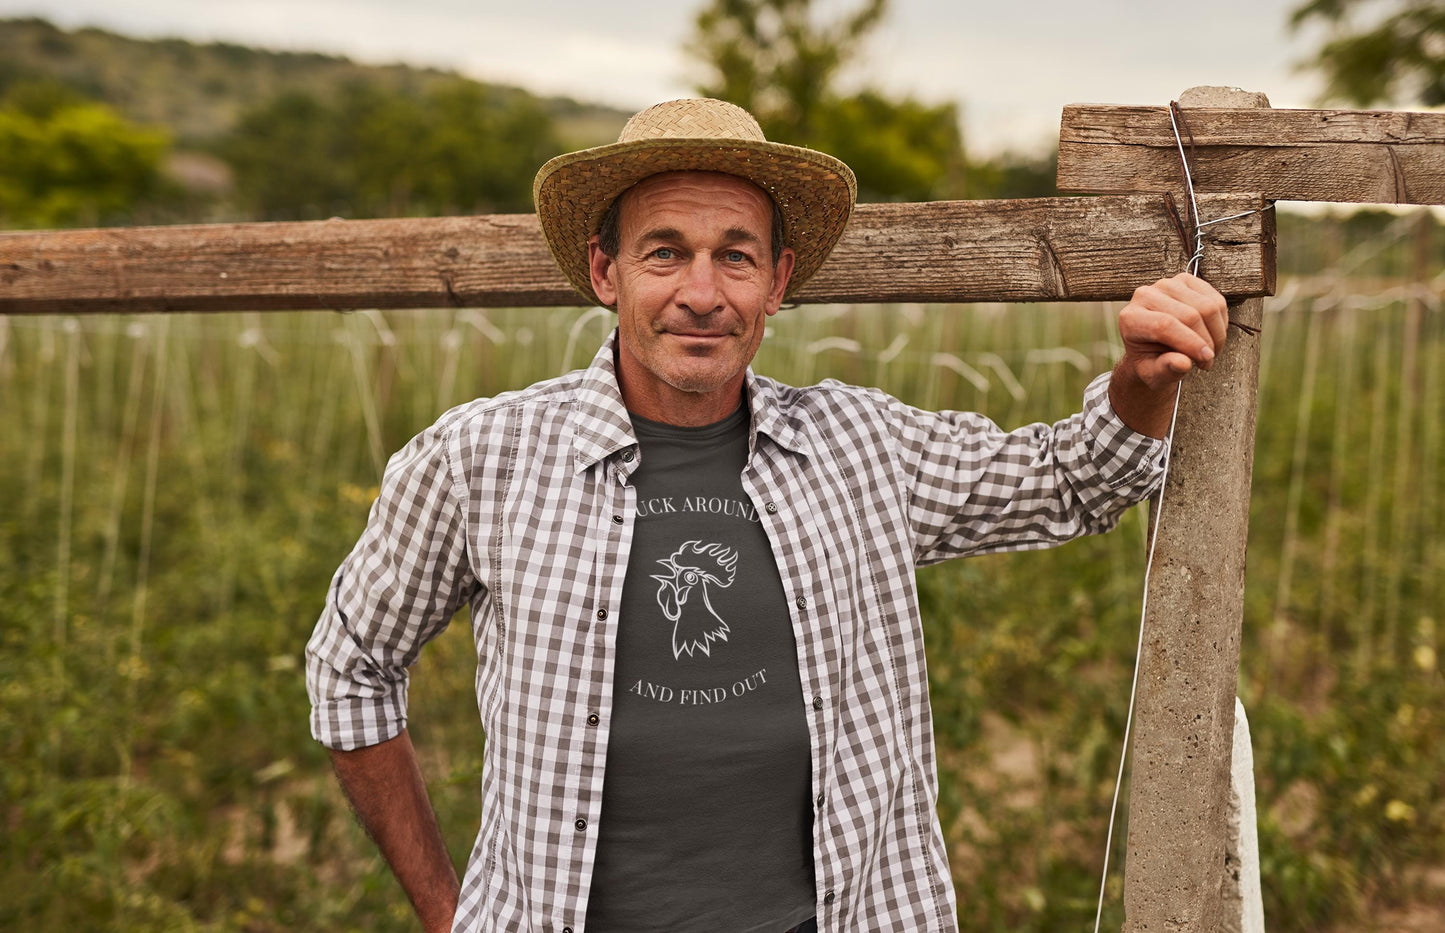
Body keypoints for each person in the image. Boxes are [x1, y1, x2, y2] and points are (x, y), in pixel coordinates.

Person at [305, 98, 1230, 933]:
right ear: (604, 271)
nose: (701, 293)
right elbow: (350, 664)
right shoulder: (481, 457)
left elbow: (1071, 480)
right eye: (663, 250)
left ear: (778, 281)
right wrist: (448, 909)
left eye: (735, 255)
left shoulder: (860, 446)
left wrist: (1140, 377)